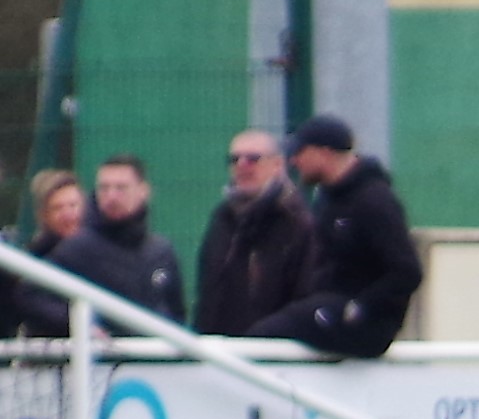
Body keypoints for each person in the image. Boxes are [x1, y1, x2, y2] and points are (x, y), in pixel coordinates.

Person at [248, 116, 424, 357]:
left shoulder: (374, 201)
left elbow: (407, 271)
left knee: (265, 337)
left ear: (324, 153)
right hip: (329, 305)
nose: (294, 160)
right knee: (267, 330)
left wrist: (360, 307)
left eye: (300, 152)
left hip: (367, 323)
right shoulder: (328, 202)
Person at [17, 156, 185, 332]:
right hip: (103, 357)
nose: (111, 196)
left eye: (121, 188)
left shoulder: (161, 251)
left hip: (156, 355)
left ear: (144, 190)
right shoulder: (78, 248)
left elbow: (176, 314)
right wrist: (80, 324)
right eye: (104, 188)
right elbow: (30, 295)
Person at [194, 129, 316, 336]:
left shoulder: (297, 223)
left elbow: (304, 296)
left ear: (277, 165)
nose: (242, 166)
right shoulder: (221, 220)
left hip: (272, 354)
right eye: (234, 159)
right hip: (218, 352)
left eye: (253, 159)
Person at [8, 171, 86, 337]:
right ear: (43, 215)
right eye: (58, 208)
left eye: (73, 205)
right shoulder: (32, 261)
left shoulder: (106, 250)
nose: (68, 215)